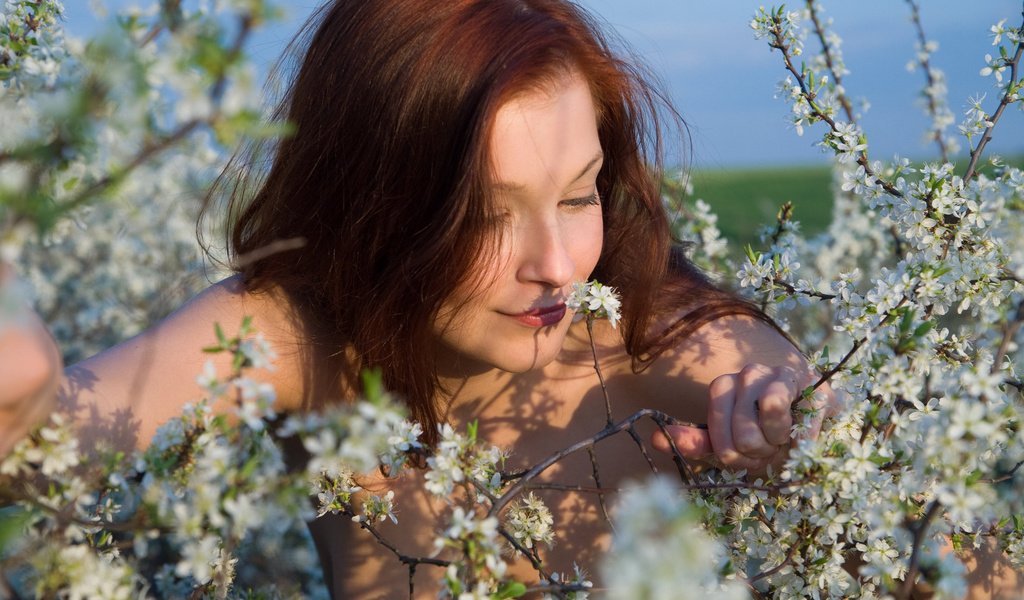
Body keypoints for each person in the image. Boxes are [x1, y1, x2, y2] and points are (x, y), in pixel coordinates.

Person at [0, 0, 1014, 598]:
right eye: (487, 216)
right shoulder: (307, 331)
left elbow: (739, 363)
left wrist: (787, 408)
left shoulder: (639, 311)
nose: (557, 263)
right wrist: (25, 390)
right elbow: (69, 429)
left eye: (578, 196)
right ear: (373, 206)